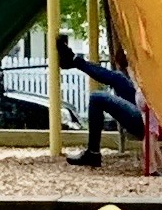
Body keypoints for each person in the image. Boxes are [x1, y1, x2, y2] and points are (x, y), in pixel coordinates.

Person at [56, 28, 144, 167]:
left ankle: (93, 153)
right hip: (146, 110)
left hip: (148, 122)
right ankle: (73, 60)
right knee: (118, 78)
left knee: (97, 98)